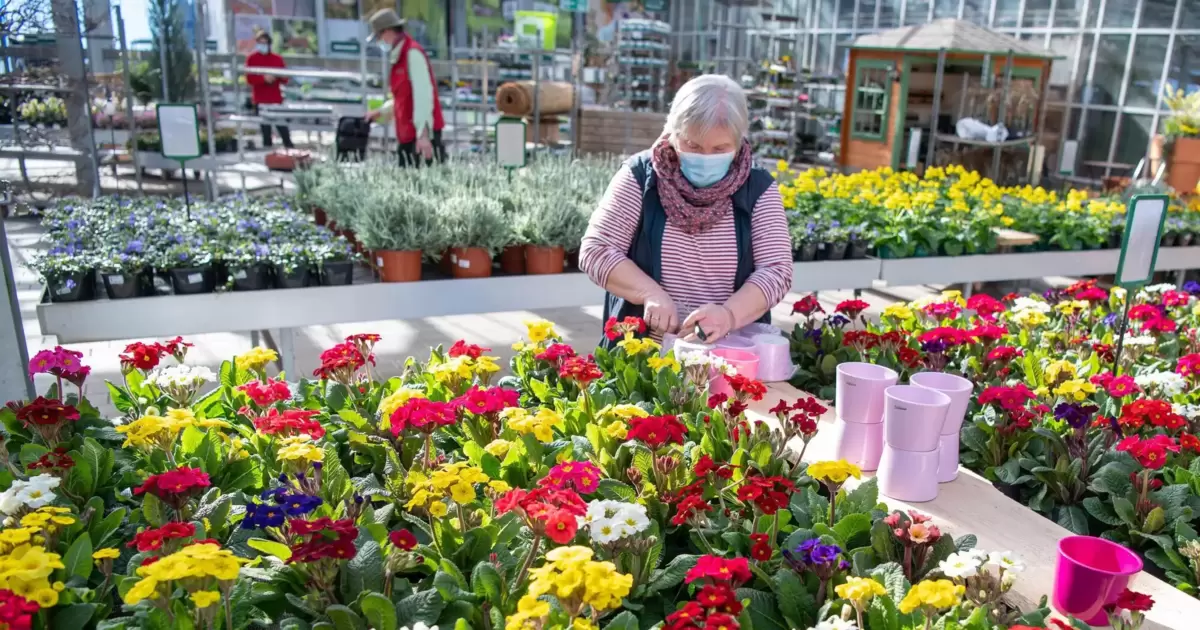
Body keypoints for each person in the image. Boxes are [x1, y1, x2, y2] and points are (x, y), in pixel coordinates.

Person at [579, 74, 793, 346]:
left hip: (730, 355)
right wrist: (649, 293)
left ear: (739, 142)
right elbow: (596, 250)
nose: (705, 157)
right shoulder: (640, 176)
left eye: (720, 148)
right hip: (642, 353)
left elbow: (776, 270)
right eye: (692, 145)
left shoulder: (759, 189)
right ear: (673, 133)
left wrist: (728, 315)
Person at [364, 9, 446, 167]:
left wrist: (423, 135)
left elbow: (423, 96)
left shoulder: (412, 53)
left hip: (420, 137)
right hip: (408, 135)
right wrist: (380, 112)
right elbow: (402, 98)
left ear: (387, 32)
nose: (380, 42)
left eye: (379, 37)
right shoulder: (400, 56)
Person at [245, 31, 294, 149]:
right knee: (265, 130)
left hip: (275, 99)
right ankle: (268, 153)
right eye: (260, 43)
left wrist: (277, 76)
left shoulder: (277, 59)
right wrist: (263, 79)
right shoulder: (252, 59)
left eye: (265, 43)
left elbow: (285, 79)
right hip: (260, 100)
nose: (263, 45)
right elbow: (249, 79)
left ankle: (290, 150)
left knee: (283, 128)